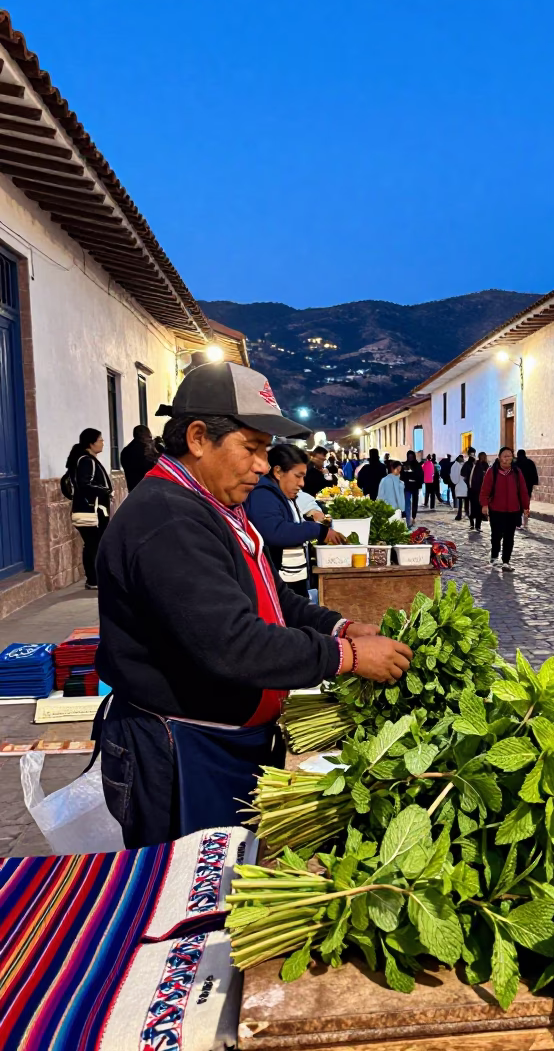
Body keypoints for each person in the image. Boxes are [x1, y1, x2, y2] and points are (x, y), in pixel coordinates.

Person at [92, 361, 412, 847]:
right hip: (181, 747)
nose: (263, 465)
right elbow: (232, 644)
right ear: (198, 438)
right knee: (193, 896)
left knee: (227, 872)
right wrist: (344, 658)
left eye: (265, 451)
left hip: (222, 739)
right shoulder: (168, 519)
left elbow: (268, 596)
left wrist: (339, 626)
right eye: (252, 448)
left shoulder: (216, 505)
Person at [246, 443, 347, 597]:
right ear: (278, 471)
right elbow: (275, 532)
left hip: (291, 585)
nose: (301, 484)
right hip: (277, 587)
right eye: (297, 476)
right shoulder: (263, 495)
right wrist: (317, 530)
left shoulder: (282, 494)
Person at [66, 428, 113, 591]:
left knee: (93, 545)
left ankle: (94, 579)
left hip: (89, 510)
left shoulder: (85, 459)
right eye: (100, 440)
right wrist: (106, 491)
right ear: (91, 443)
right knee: (93, 545)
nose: (102, 443)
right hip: (91, 512)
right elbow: (85, 484)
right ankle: (93, 580)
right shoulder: (87, 461)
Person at [480, 446, 531, 572]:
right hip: (496, 509)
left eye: (510, 456)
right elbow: (485, 490)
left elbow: (523, 491)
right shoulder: (492, 472)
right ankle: (494, 556)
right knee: (496, 535)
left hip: (513, 510)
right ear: (499, 458)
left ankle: (506, 561)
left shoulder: (517, 472)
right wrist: (484, 505)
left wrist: (525, 507)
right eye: (505, 456)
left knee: (510, 536)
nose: (507, 458)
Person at [120, 425, 158, 492]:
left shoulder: (125, 451)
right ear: (143, 436)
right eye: (149, 437)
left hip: (133, 489)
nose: (150, 440)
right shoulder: (146, 451)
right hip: (148, 489)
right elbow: (151, 468)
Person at [468, 451, 489, 532]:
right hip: (480, 491)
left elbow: (471, 478)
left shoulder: (476, 465)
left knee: (473, 508)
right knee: (479, 508)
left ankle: (473, 524)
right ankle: (477, 526)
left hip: (474, 491)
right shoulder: (483, 466)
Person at [401, 450, 423, 522]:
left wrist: (419, 483)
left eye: (411, 456)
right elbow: (404, 476)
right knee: (407, 502)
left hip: (415, 486)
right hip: (407, 486)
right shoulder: (405, 465)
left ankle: (413, 516)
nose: (410, 458)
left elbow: (420, 475)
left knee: (415, 502)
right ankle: (408, 517)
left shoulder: (417, 465)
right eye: (409, 456)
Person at [453, 455, 469, 520]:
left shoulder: (456, 466)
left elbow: (454, 476)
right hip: (465, 486)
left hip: (460, 486)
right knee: (466, 501)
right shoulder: (465, 465)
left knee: (460, 501)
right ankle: (467, 513)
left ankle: (459, 514)